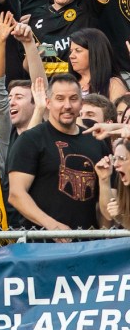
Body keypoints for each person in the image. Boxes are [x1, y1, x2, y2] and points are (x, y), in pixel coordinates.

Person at [9, 73, 110, 233]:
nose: (67, 105)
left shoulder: (96, 141)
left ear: (81, 104)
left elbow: (105, 203)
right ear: (48, 103)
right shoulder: (31, 140)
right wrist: (52, 226)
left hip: (89, 245)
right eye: (60, 99)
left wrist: (104, 237)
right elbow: (16, 194)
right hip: (43, 246)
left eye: (73, 99)